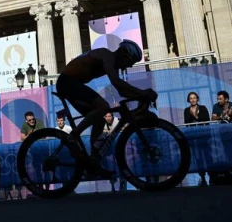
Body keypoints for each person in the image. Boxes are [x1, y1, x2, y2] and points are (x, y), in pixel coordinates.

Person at [55, 39, 157, 178]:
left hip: (71, 83)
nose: (128, 66)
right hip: (67, 82)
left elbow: (122, 92)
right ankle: (73, 136)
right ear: (124, 54)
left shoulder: (113, 64)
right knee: (104, 107)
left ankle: (93, 162)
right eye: (129, 62)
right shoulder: (106, 55)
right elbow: (117, 83)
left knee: (99, 117)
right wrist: (143, 93)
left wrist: (141, 96)